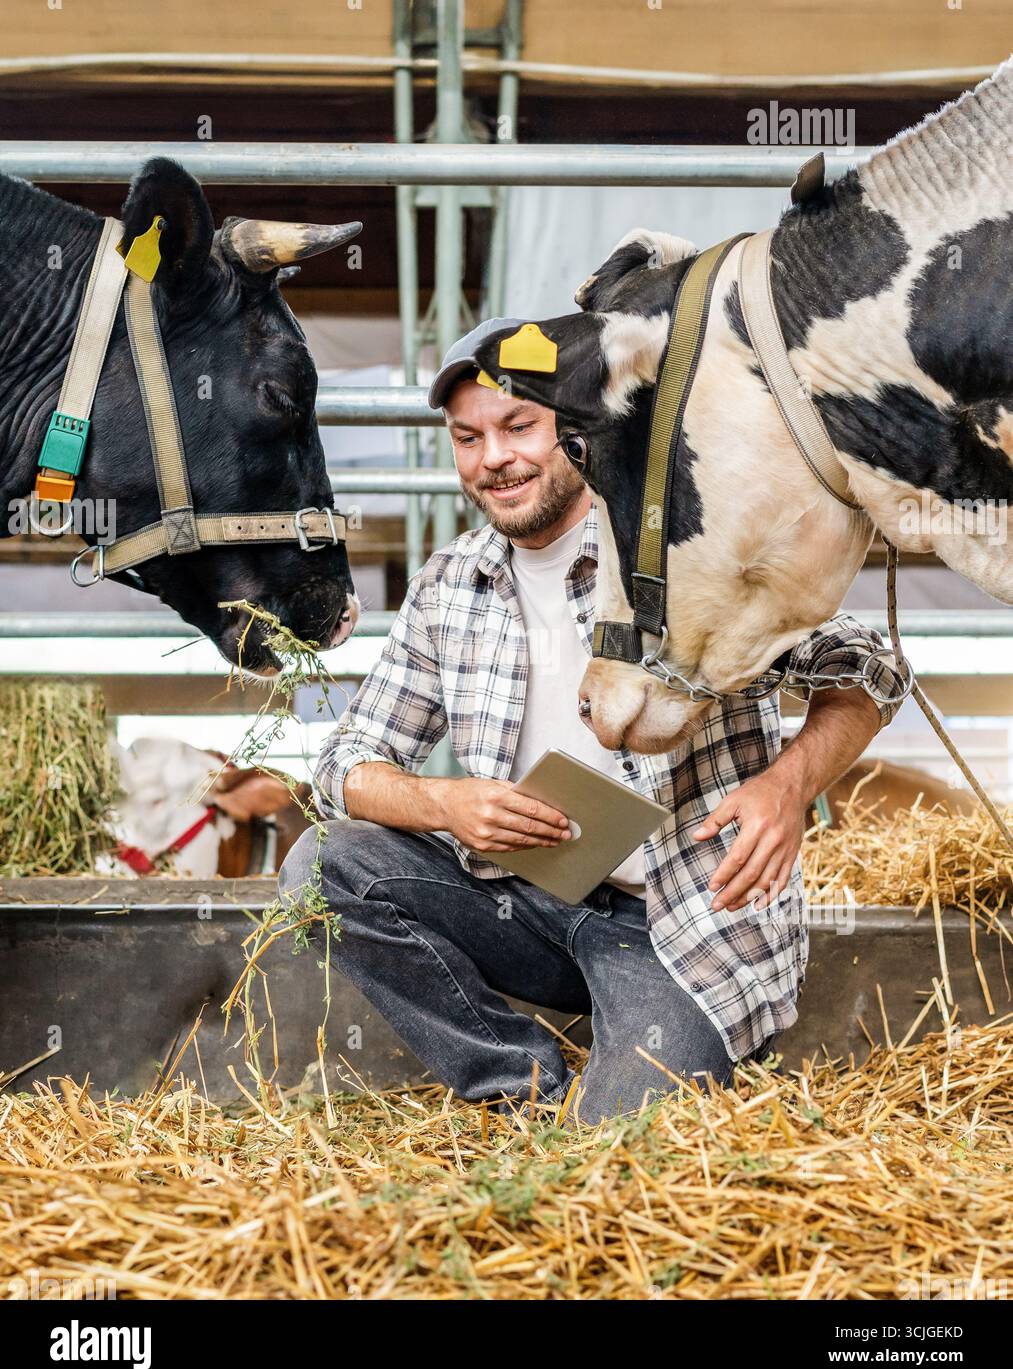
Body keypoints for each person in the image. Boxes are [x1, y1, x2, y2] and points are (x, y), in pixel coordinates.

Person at [279, 317, 907, 1125]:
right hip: (525, 902)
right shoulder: (450, 582)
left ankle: (610, 1093)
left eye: (517, 426)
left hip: (681, 922)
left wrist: (788, 787)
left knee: (608, 1161)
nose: (493, 459)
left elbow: (870, 666)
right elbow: (344, 762)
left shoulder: (678, 553)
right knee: (323, 862)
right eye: (467, 438)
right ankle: (517, 1083)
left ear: (577, 432)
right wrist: (447, 804)